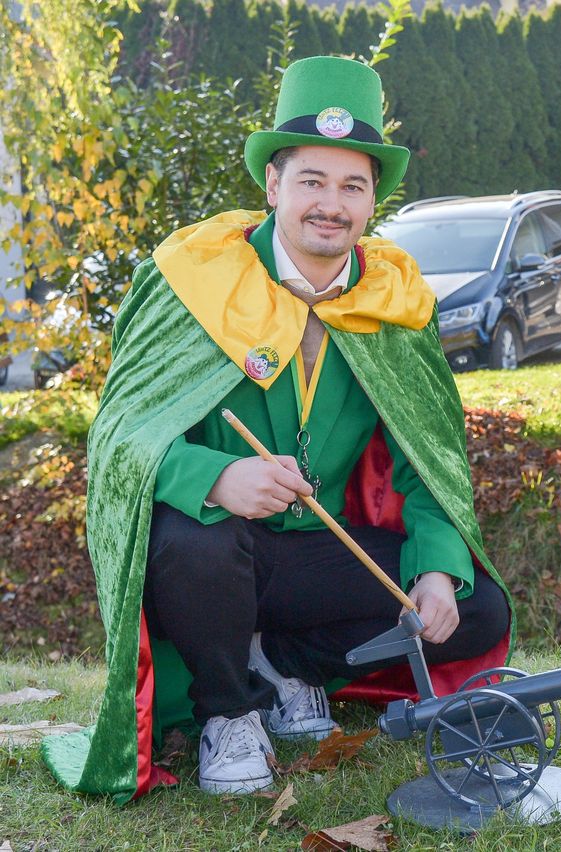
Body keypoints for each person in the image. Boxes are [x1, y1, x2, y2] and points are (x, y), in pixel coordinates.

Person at [43, 55, 513, 802]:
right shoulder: (191, 280)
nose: (331, 203)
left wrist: (434, 570)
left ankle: (283, 662)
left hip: (312, 561)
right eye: (312, 182)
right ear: (273, 187)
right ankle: (229, 711)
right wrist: (216, 479)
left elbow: (428, 461)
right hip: (204, 561)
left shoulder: (393, 304)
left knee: (476, 605)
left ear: (371, 202)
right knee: (196, 539)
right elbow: (119, 442)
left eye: (351, 186)